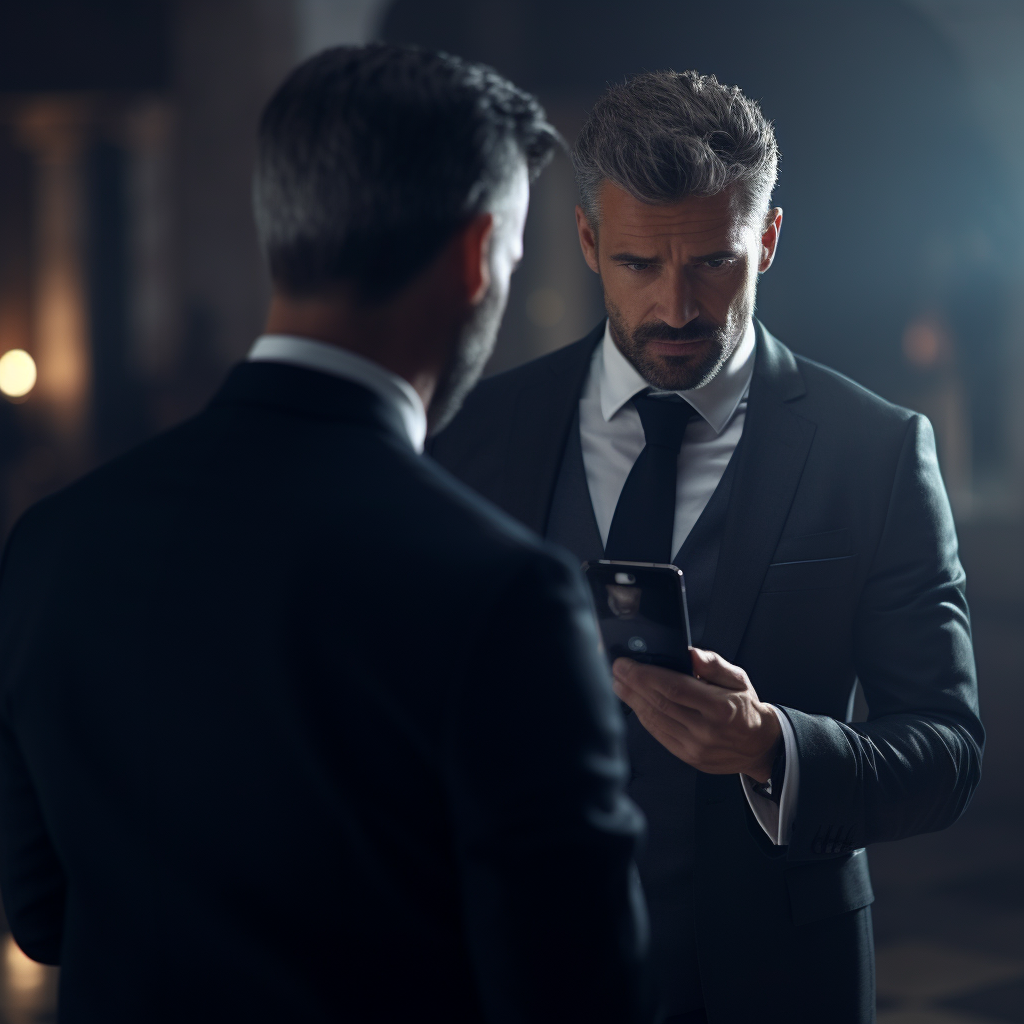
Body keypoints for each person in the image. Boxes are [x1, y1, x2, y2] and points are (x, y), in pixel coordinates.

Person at [0, 46, 649, 1023]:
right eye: (512, 256)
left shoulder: (52, 543)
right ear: (478, 256)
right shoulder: (503, 593)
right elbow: (577, 995)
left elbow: (45, 916)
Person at [430, 70, 984, 1024]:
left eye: (715, 264)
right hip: (516, 972)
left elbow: (946, 751)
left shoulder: (876, 451)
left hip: (773, 981)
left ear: (766, 240)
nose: (678, 307)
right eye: (641, 265)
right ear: (589, 242)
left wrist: (774, 746)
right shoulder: (475, 433)